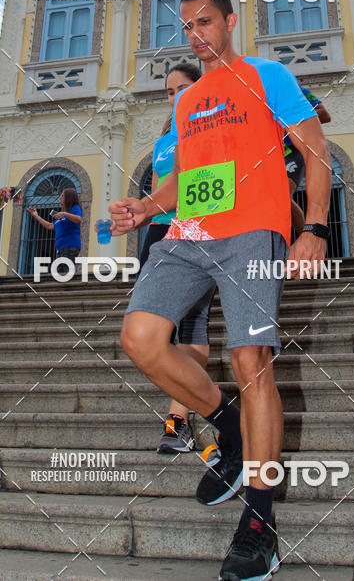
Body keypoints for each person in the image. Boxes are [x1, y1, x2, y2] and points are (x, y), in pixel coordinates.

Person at [109, 0, 331, 581]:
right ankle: (232, 429)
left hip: (254, 231)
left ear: (230, 21)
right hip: (188, 235)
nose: (195, 35)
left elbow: (317, 152)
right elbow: (183, 178)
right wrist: (146, 206)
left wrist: (314, 228)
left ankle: (259, 522)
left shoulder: (267, 77)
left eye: (205, 22)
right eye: (186, 26)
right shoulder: (187, 102)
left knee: (250, 361)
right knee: (141, 338)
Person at [138, 62, 218, 456]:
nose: (175, 98)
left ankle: (178, 420)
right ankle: (203, 396)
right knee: (149, 329)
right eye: (169, 92)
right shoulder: (162, 141)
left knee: (191, 323)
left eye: (183, 88)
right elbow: (157, 193)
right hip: (160, 233)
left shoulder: (213, 124)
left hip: (197, 230)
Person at [284, 85, 331, 238]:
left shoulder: (297, 91)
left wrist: (291, 119)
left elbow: (324, 115)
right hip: (269, 153)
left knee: (284, 195)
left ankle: (309, 238)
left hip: (293, 150)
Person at [27, 187, 83, 265]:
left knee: (64, 274)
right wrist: (36, 216)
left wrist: (64, 214)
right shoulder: (61, 215)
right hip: (61, 249)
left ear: (69, 198)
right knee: (60, 273)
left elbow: (79, 219)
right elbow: (50, 226)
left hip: (70, 246)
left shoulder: (75, 208)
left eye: (62, 195)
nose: (60, 197)